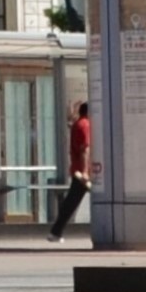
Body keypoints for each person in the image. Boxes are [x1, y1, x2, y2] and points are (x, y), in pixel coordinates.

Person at [50, 101, 94, 239]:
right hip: (83, 173)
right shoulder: (85, 125)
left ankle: (56, 231)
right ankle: (55, 232)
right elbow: (84, 149)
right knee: (72, 201)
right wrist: (86, 171)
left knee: (71, 201)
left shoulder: (77, 124)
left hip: (77, 169)